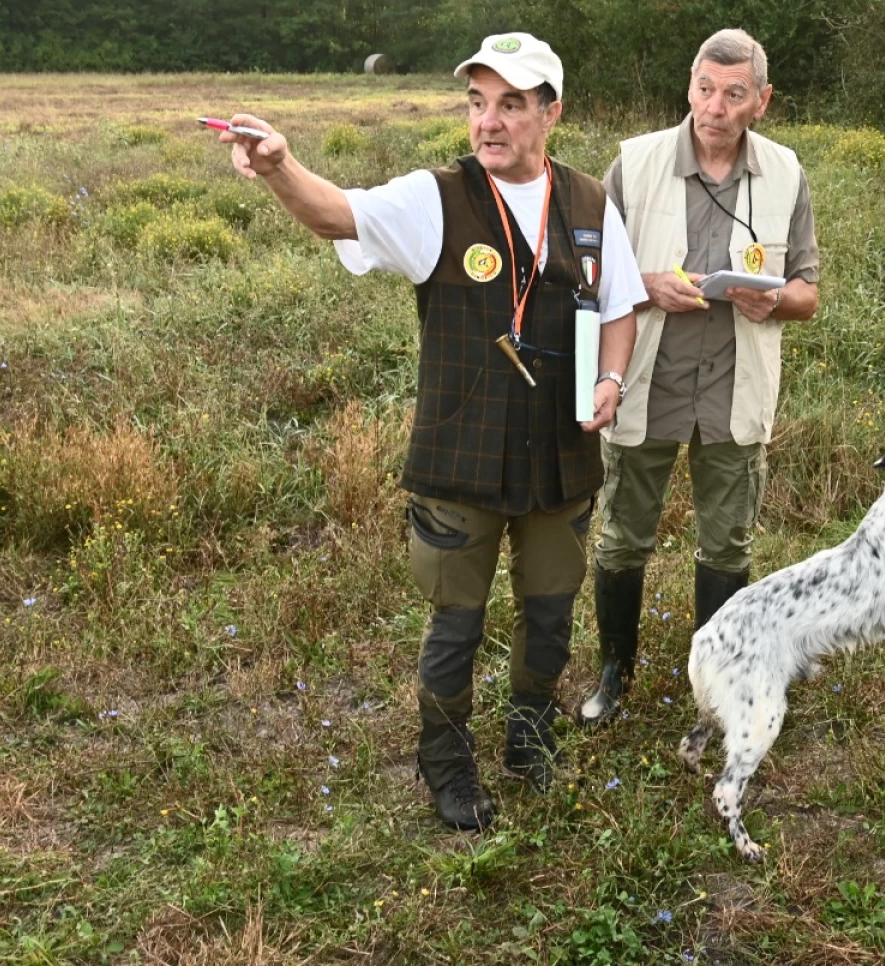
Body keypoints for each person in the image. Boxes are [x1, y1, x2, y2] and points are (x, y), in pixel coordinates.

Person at [214, 33, 647, 830]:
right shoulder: (433, 198)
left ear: (550, 113)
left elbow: (620, 307)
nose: (489, 122)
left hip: (561, 460)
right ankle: (447, 765)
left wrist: (613, 379)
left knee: (549, 614)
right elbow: (334, 213)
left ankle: (529, 735)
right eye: (478, 103)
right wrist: (279, 166)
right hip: (461, 460)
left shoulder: (589, 203)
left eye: (511, 105)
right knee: (458, 624)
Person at [577, 28, 822, 726]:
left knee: (728, 544)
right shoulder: (636, 163)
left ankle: (712, 691)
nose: (715, 107)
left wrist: (772, 298)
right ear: (690, 86)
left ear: (761, 101)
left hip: (733, 392)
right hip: (643, 381)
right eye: (705, 89)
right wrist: (647, 284)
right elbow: (590, 282)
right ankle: (613, 677)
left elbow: (808, 292)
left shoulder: (785, 172)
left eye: (734, 94)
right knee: (623, 536)